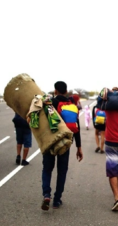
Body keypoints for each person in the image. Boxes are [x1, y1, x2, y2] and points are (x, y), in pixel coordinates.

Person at [41, 81, 83, 211]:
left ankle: (46, 195)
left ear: (55, 90)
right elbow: (77, 127)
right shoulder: (71, 105)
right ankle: (57, 199)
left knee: (47, 169)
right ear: (65, 91)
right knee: (62, 171)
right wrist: (79, 147)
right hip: (65, 142)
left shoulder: (49, 103)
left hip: (50, 141)